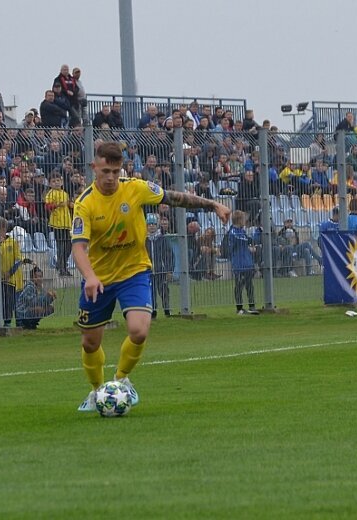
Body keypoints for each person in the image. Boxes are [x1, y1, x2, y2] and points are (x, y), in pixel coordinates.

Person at [71, 142, 231, 411]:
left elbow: (175, 198)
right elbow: (78, 247)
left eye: (115, 171)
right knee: (90, 342)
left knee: (139, 330)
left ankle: (122, 381)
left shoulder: (135, 188)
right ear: (93, 168)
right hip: (98, 278)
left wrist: (212, 203)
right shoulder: (84, 203)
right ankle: (96, 391)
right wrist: (90, 277)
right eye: (105, 171)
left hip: (134, 271)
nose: (110, 177)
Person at [227, 211, 260, 315]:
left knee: (249, 285)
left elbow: (249, 240)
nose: (245, 221)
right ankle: (239, 308)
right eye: (244, 219)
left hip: (247, 262)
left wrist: (259, 232)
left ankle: (252, 306)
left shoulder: (242, 231)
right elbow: (241, 241)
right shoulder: (233, 232)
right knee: (239, 286)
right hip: (239, 263)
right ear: (239, 220)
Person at [144, 214, 174, 318]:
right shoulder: (144, 240)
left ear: (157, 225)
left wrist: (169, 270)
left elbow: (169, 255)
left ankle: (167, 310)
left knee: (164, 290)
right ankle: (153, 311)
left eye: (153, 224)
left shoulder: (162, 239)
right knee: (150, 293)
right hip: (148, 271)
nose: (151, 226)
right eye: (149, 224)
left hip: (161, 270)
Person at [0, 218, 26, 327]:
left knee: (17, 302)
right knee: (6, 303)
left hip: (14, 278)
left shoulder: (13, 242)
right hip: (2, 279)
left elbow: (19, 259)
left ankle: (19, 323)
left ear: (4, 229)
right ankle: (7, 323)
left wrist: (10, 272)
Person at [45, 172, 72, 276]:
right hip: (57, 223)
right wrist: (56, 205)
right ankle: (62, 268)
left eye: (58, 181)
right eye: (53, 181)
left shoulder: (65, 194)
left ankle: (61, 264)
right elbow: (47, 206)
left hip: (67, 223)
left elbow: (68, 205)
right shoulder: (50, 194)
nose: (56, 183)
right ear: (50, 184)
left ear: (61, 182)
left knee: (68, 245)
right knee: (61, 246)